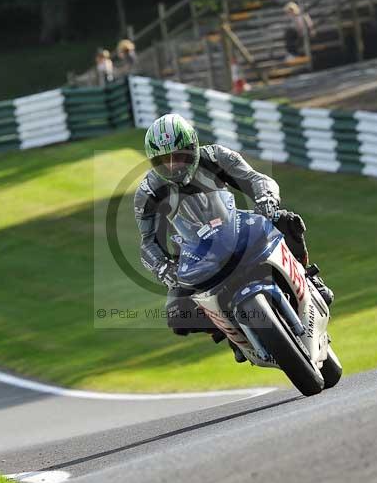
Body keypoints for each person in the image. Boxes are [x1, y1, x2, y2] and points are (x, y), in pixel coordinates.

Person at [133, 114, 333, 363]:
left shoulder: (216, 156)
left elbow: (256, 179)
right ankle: (230, 333)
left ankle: (309, 277)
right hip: (193, 253)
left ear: (193, 147)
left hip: (234, 226)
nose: (174, 165)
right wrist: (163, 267)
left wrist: (265, 199)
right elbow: (147, 242)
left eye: (180, 155)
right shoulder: (148, 192)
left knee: (285, 220)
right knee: (178, 314)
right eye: (164, 160)